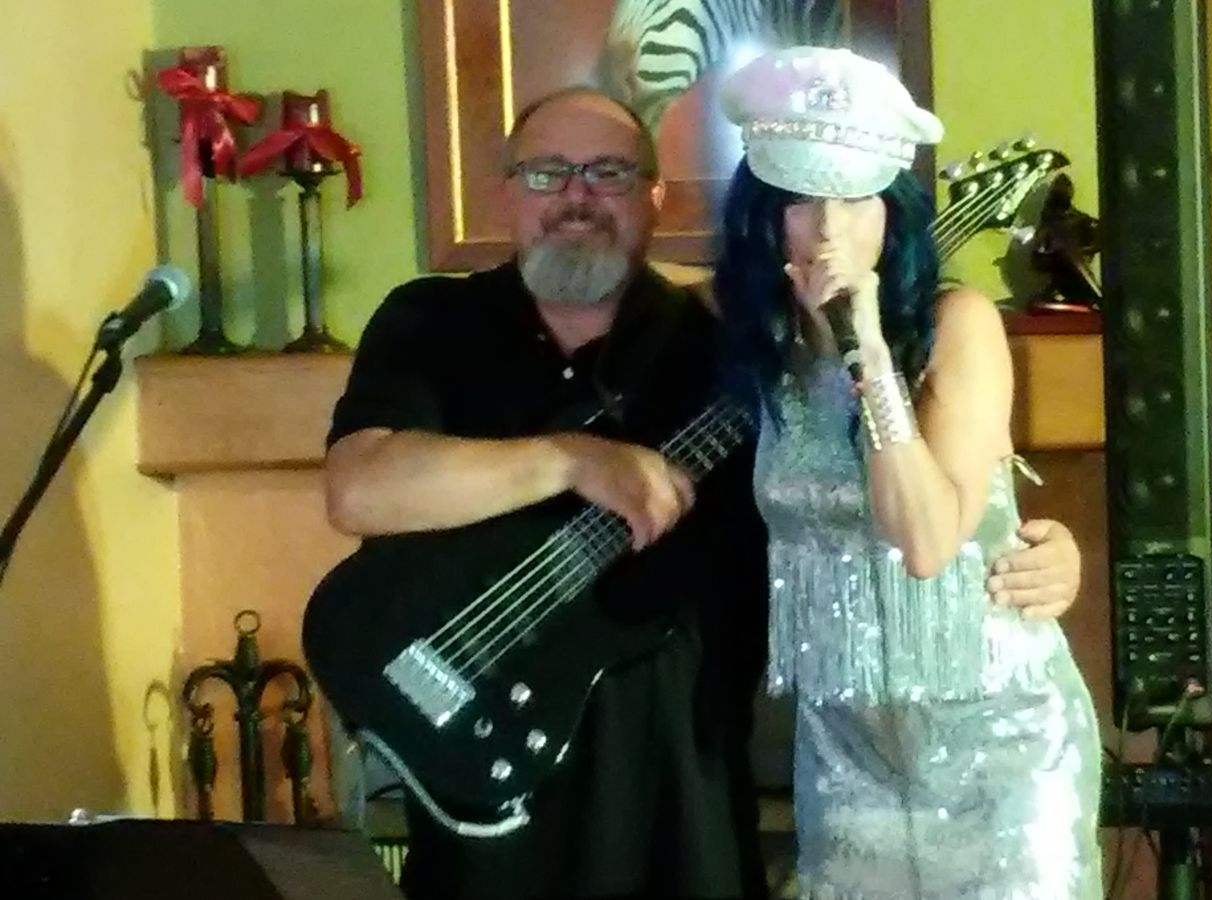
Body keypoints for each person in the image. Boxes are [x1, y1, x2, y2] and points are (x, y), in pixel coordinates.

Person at [321, 85, 1087, 900]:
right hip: (484, 769)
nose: (577, 196)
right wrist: (570, 461)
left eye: (609, 173)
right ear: (505, 190)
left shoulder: (734, 339)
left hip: (685, 776)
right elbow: (359, 491)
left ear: (655, 196)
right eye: (547, 173)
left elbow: (883, 474)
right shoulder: (431, 319)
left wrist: (1036, 550)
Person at [714, 47, 1104, 898]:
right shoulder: (753, 345)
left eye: (856, 198)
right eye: (801, 199)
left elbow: (925, 542)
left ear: (892, 210)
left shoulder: (955, 324)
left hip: (1000, 744)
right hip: (846, 753)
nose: (829, 229)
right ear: (763, 215)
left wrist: (869, 348)